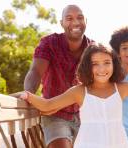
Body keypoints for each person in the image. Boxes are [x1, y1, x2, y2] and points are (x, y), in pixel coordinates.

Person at [17, 43, 128, 148]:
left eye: (107, 63)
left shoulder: (122, 88)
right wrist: (26, 95)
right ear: (87, 67)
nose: (102, 69)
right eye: (95, 64)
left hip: (118, 143)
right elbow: (48, 105)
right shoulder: (79, 91)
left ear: (114, 64)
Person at [21, 4, 92, 148]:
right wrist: (29, 96)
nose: (75, 22)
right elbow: (35, 72)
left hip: (85, 117)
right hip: (54, 113)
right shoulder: (49, 43)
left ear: (86, 21)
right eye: (69, 18)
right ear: (62, 23)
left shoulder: (93, 49)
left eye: (80, 18)